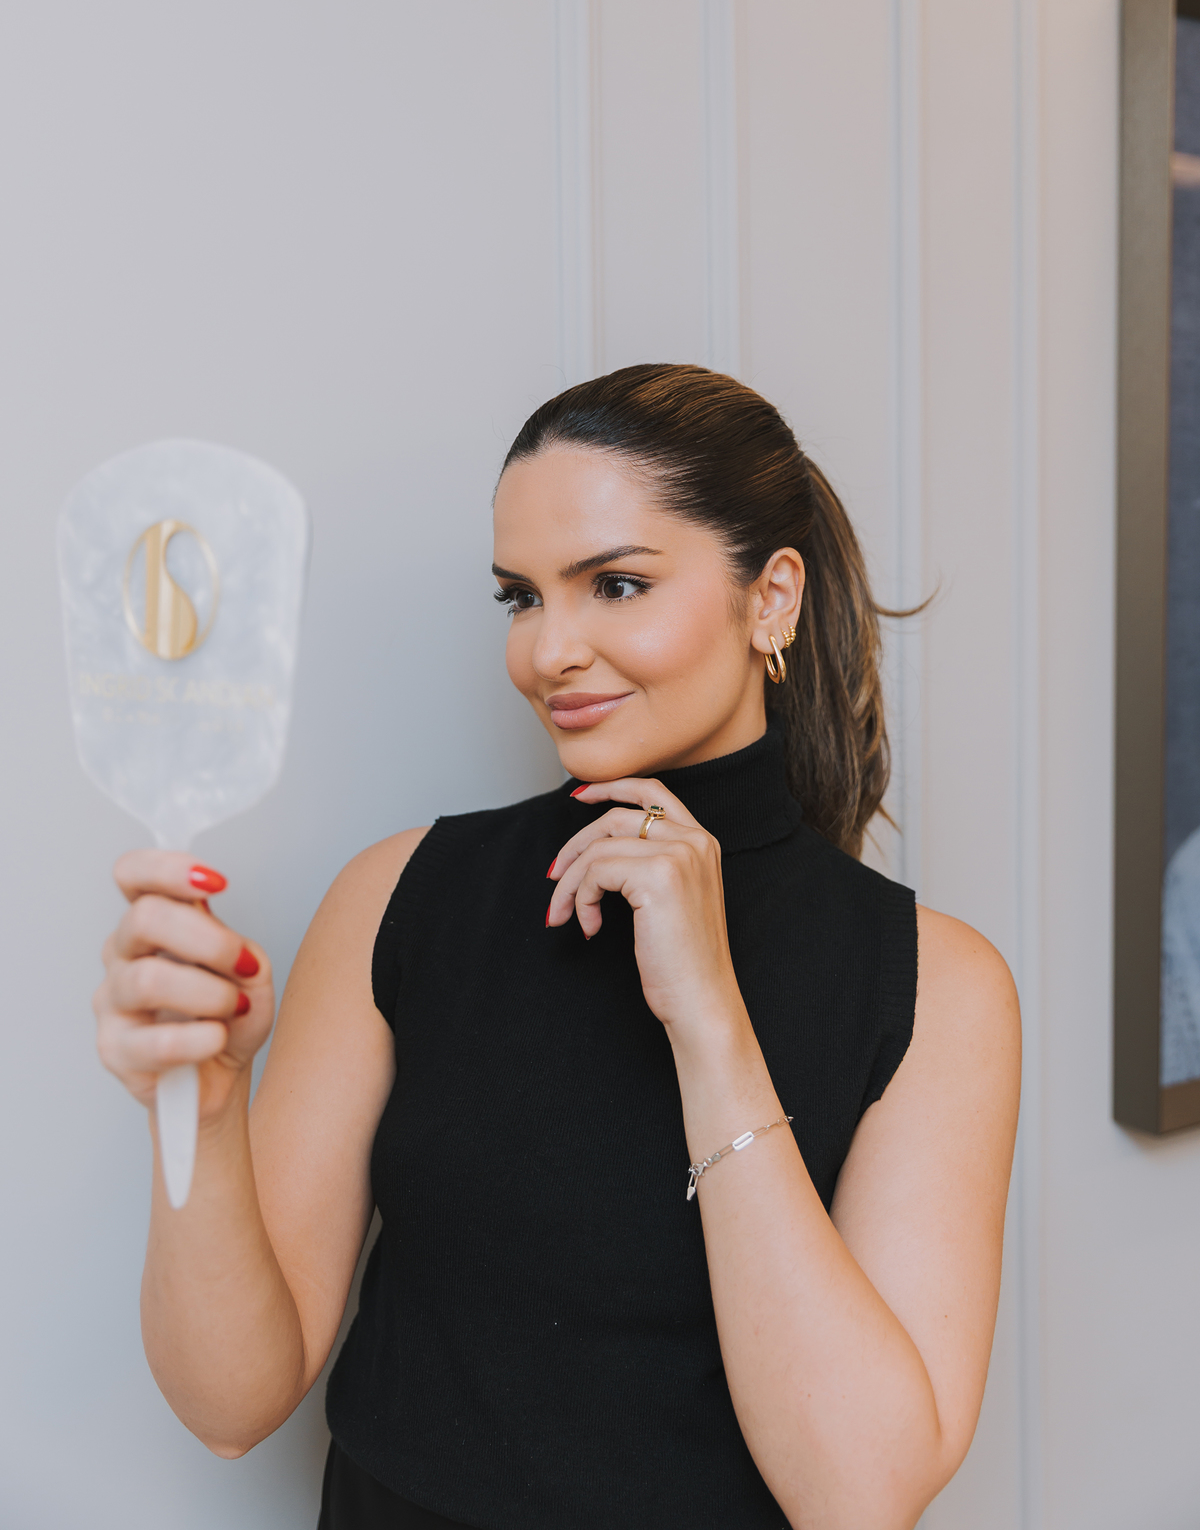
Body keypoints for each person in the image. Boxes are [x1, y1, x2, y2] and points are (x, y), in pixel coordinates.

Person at [95, 364, 1020, 1530]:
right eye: (521, 598)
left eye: (616, 584)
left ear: (771, 598)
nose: (549, 651)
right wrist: (204, 1101)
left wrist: (708, 1020)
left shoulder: (937, 988)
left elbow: (859, 1495)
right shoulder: (400, 898)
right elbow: (229, 1404)